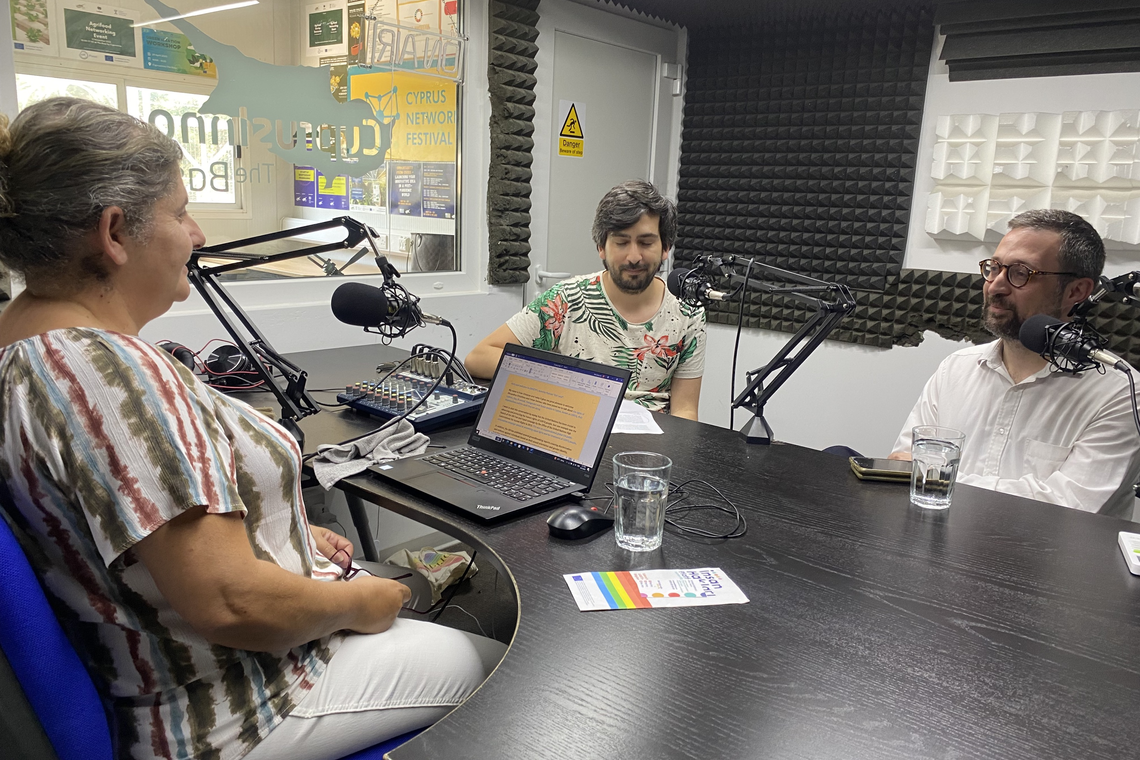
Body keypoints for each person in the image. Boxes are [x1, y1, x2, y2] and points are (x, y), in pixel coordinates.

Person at [0, 97, 504, 760]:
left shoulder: (24, 346)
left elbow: (132, 534)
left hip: (183, 677)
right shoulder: (110, 374)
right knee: (506, 664)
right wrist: (365, 604)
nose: (198, 235)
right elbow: (232, 604)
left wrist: (279, 532)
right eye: (180, 213)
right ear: (115, 233)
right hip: (239, 709)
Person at [889, 209, 1140, 517]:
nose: (995, 286)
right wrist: (921, 476)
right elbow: (901, 466)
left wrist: (937, 479)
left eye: (1021, 273)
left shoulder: (1121, 394)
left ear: (1076, 291)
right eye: (993, 268)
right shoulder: (956, 369)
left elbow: (1066, 509)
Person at [465, 180, 706, 419]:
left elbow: (685, 409)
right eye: (621, 242)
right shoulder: (565, 299)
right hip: (575, 428)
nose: (634, 256)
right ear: (601, 247)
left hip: (652, 438)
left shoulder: (688, 313)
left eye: (646, 243)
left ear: (665, 248)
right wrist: (564, 379)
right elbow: (479, 358)